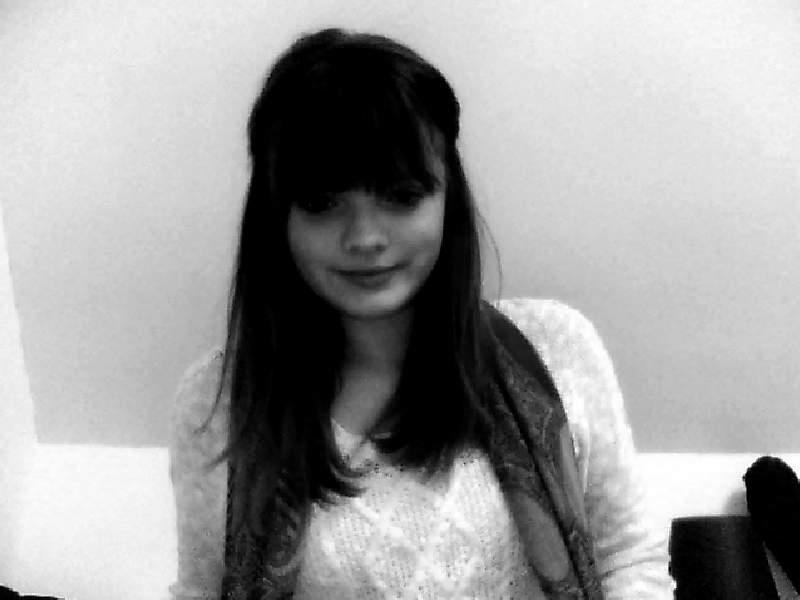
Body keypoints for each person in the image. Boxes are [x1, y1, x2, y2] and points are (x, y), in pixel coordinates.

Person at [168, 27, 675, 599]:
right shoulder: (215, 402)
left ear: (446, 198)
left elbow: (628, 556)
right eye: (321, 203)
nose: (364, 238)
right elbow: (203, 591)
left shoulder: (556, 346)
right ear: (276, 216)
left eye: (401, 196)